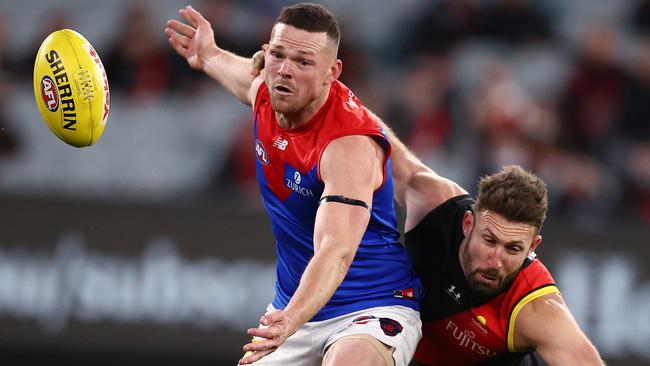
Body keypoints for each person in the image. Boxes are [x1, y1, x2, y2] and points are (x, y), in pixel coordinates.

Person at [165, 3, 421, 366]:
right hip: (293, 310)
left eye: (303, 62)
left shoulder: (348, 144)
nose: (285, 70)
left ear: (331, 73)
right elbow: (239, 74)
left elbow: (336, 251)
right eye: (278, 55)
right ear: (266, 54)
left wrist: (288, 321)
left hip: (370, 305)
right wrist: (207, 54)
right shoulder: (266, 96)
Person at [386, 127, 604, 365]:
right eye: (489, 241)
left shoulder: (535, 308)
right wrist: (338, 94)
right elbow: (370, 133)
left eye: (513, 249)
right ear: (468, 223)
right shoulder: (434, 207)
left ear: (533, 246)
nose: (495, 262)